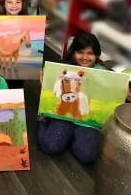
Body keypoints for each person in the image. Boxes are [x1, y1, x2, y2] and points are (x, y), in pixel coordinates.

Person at [37, 33, 104, 164]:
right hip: (64, 115)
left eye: (90, 53)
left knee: (87, 156)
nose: (85, 57)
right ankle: (43, 120)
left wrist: (121, 92)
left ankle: (74, 137)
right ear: (74, 53)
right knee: (49, 146)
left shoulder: (103, 75)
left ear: (96, 55)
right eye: (80, 52)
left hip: (86, 122)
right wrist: (44, 83)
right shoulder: (64, 69)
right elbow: (53, 93)